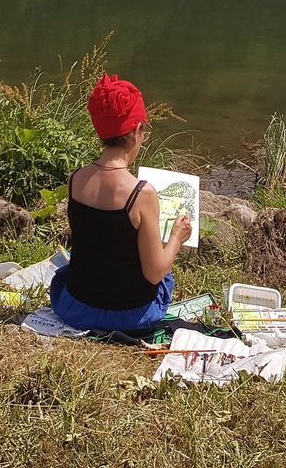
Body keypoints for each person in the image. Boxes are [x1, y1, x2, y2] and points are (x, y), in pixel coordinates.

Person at [50, 73, 192, 334]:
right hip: (128, 316)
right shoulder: (141, 194)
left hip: (76, 306)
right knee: (165, 275)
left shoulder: (76, 179)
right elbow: (153, 273)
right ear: (137, 131)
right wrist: (176, 238)